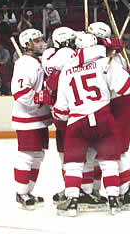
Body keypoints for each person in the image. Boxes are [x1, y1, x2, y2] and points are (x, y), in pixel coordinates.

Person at [52, 32, 130, 216]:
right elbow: (126, 88)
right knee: (109, 161)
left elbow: (60, 110)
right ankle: (114, 200)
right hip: (103, 118)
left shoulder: (66, 70)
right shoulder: (106, 63)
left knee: (74, 163)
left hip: (77, 122)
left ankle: (73, 201)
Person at [42, 27, 108, 211]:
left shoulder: (50, 55)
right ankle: (87, 190)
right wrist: (103, 45)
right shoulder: (69, 55)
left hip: (65, 113)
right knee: (89, 154)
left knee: (70, 156)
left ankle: (76, 190)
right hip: (83, 111)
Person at [88, 22, 130, 210]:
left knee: (115, 151)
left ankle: (126, 191)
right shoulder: (108, 56)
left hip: (118, 105)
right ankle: (122, 190)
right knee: (107, 150)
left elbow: (122, 85)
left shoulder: (111, 58)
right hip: (118, 104)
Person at [11, 28, 55, 210]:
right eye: (36, 41)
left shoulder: (38, 61)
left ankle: (27, 191)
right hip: (27, 117)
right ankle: (21, 193)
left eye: (41, 40)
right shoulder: (24, 64)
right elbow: (19, 92)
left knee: (38, 155)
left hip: (39, 117)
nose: (41, 43)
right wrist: (41, 98)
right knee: (27, 155)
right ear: (27, 45)